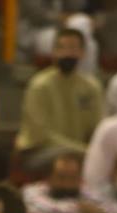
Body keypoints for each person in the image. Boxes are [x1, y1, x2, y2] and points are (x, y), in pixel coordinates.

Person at [15, 27, 103, 175]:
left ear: (82, 53)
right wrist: (84, 151)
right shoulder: (40, 85)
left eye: (73, 48)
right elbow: (42, 135)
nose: (67, 53)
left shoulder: (91, 87)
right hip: (39, 151)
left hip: (81, 151)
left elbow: (97, 128)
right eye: (62, 48)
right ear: (53, 52)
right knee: (68, 160)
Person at [22, 149, 117, 213]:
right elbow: (51, 211)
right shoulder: (31, 192)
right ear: (49, 178)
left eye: (73, 178)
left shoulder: (86, 191)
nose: (67, 184)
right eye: (61, 177)